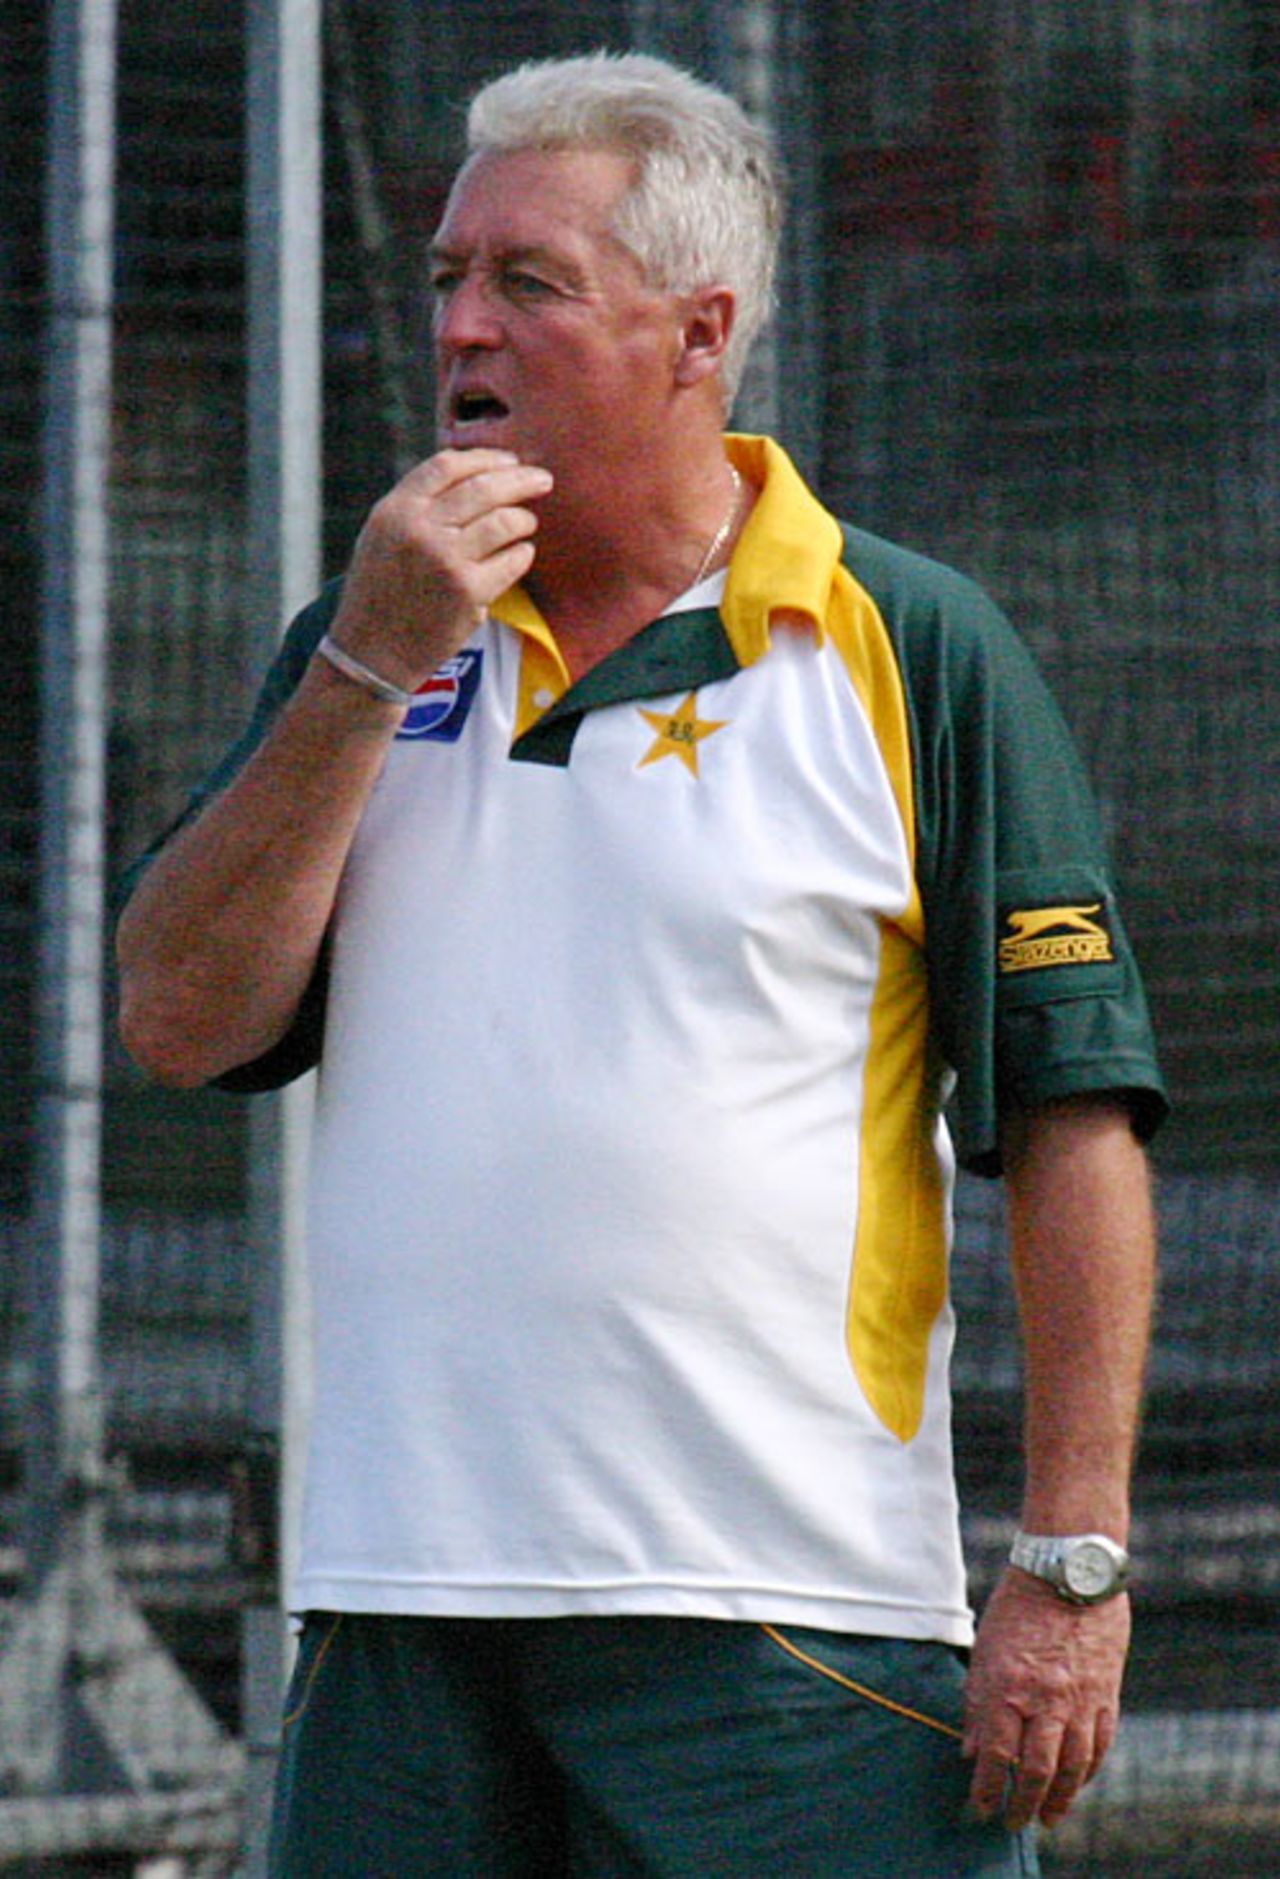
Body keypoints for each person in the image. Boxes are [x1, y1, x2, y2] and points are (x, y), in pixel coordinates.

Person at [117, 50, 1166, 1878]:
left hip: (791, 1620)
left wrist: (1069, 1563)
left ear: (699, 334)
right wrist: (366, 666)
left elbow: (1077, 1128)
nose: (462, 324)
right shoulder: (361, 640)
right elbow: (176, 1022)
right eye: (448, 278)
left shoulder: (910, 643)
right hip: (396, 1613)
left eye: (527, 281)